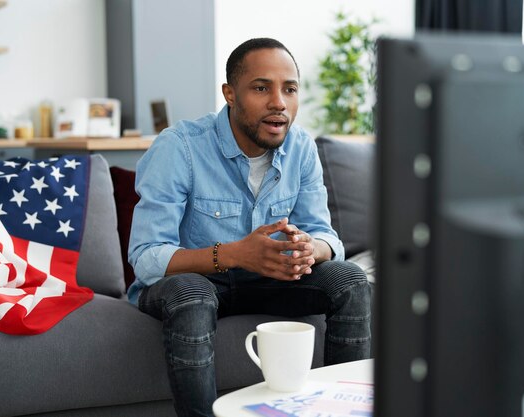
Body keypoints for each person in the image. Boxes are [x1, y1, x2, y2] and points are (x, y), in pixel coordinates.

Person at [127, 37, 371, 417]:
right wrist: (234, 254)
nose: (279, 102)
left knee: (350, 280)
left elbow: (327, 238)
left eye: (289, 89)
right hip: (199, 281)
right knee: (190, 293)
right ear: (230, 94)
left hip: (271, 281)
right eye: (261, 88)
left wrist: (310, 248)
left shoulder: (301, 148)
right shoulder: (180, 147)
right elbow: (146, 258)